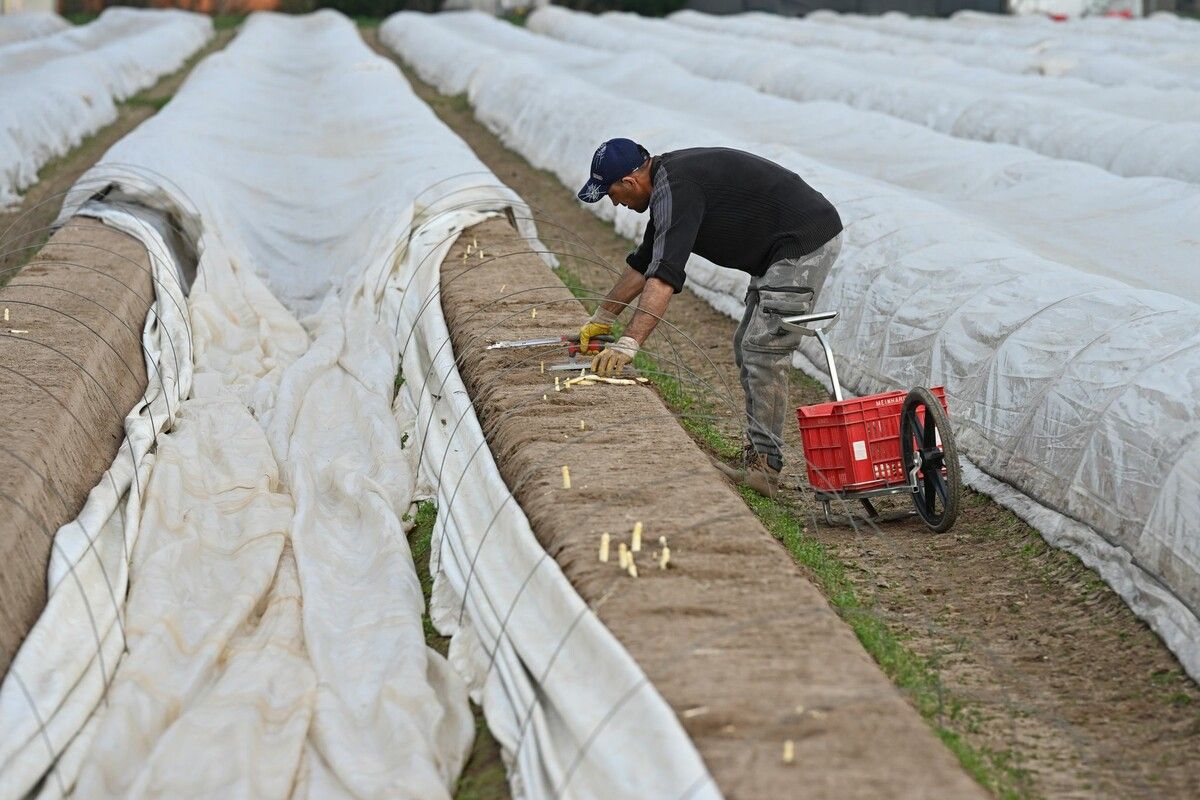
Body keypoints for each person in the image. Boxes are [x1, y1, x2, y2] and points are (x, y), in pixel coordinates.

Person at [576, 138, 843, 497]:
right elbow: (645, 263)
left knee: (764, 350)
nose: (614, 203)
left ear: (630, 181)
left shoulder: (678, 187)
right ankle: (761, 454)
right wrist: (602, 318)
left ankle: (765, 467)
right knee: (747, 345)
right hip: (778, 248)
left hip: (803, 240)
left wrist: (629, 343)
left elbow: (663, 277)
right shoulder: (669, 186)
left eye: (612, 194)